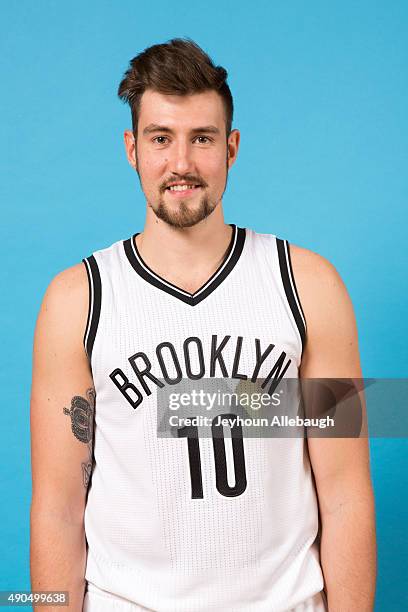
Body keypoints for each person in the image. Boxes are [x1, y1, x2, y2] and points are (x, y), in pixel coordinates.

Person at [30, 38, 376, 611]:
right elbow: (57, 507)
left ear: (232, 148)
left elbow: (345, 496)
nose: (182, 163)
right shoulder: (77, 300)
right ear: (131, 148)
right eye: (160, 138)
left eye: (203, 139)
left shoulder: (310, 286)